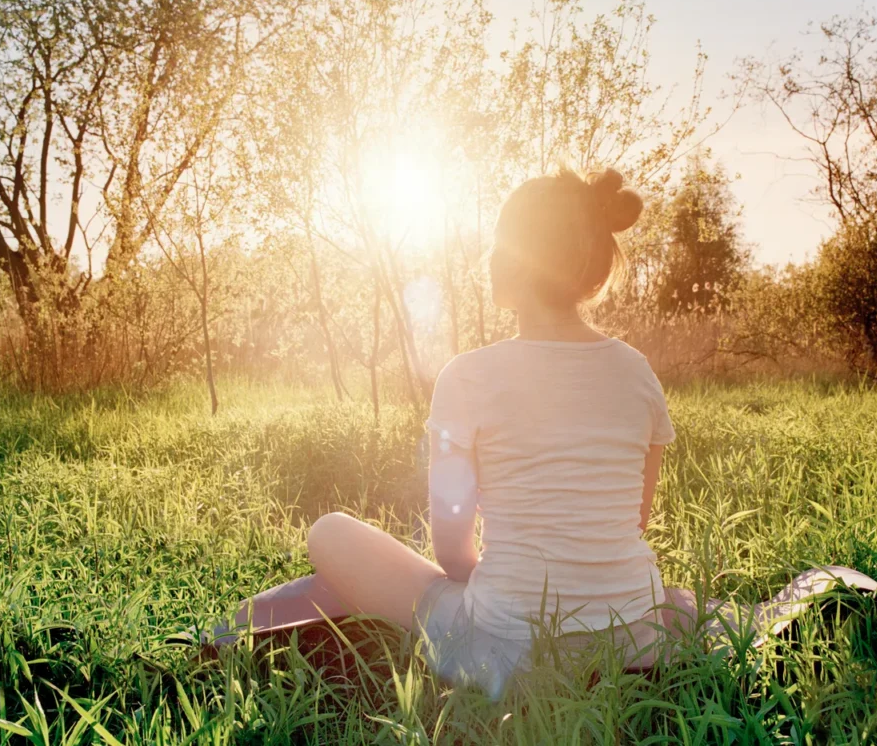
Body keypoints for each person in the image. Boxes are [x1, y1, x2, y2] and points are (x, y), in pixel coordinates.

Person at [211, 166, 674, 698]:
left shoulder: (469, 375)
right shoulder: (638, 371)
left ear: (515, 260)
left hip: (508, 650)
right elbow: (633, 519)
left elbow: (453, 553)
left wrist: (495, 588)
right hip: (638, 639)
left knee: (329, 533)